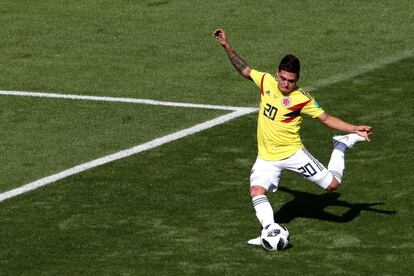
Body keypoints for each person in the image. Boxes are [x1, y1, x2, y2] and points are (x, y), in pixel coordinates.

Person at [212, 28, 372, 245]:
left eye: (292, 81)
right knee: (256, 191)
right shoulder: (266, 81)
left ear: (298, 80)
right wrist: (226, 45)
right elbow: (244, 69)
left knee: (333, 186)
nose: (286, 84)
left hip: (293, 154)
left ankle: (340, 145)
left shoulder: (302, 98)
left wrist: (353, 129)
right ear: (277, 73)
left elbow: (325, 118)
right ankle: (269, 230)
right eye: (284, 78)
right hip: (266, 157)